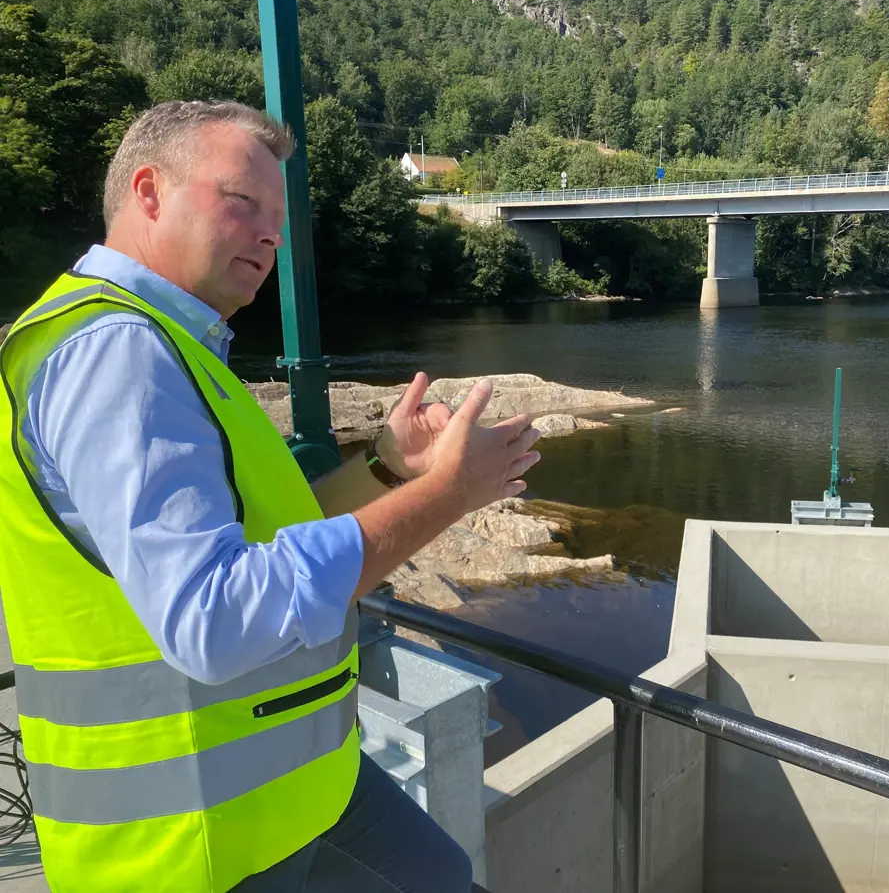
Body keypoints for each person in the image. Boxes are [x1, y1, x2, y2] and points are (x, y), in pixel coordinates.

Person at [0, 100, 540, 892]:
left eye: (276, 218)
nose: (269, 234)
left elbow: (268, 533)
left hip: (288, 787)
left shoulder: (170, 341)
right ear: (148, 192)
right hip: (192, 839)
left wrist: (390, 469)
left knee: (441, 874)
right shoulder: (117, 353)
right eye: (240, 200)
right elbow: (212, 617)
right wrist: (448, 496)